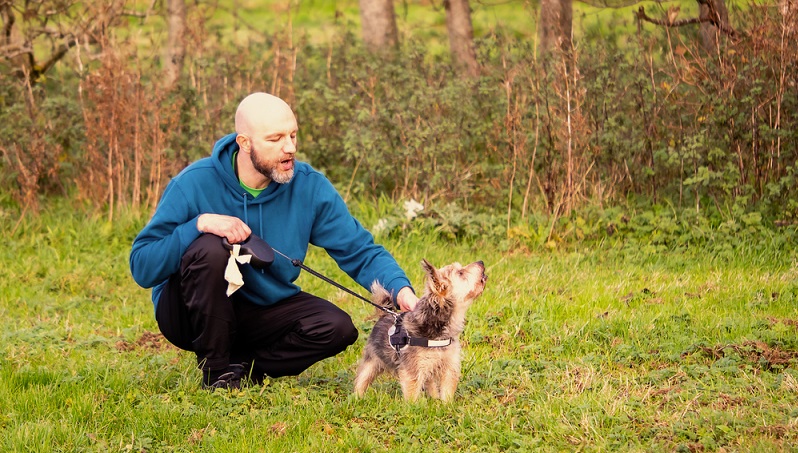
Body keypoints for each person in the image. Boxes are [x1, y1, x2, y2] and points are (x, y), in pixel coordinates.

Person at [130, 92, 418, 389]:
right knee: (210, 247)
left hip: (262, 312)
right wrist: (200, 224)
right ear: (244, 143)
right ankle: (216, 374)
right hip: (190, 315)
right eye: (275, 139)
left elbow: (360, 251)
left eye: (293, 135)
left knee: (337, 328)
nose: (290, 147)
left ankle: (247, 366)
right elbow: (142, 265)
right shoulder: (193, 183)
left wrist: (402, 292)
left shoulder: (309, 186)